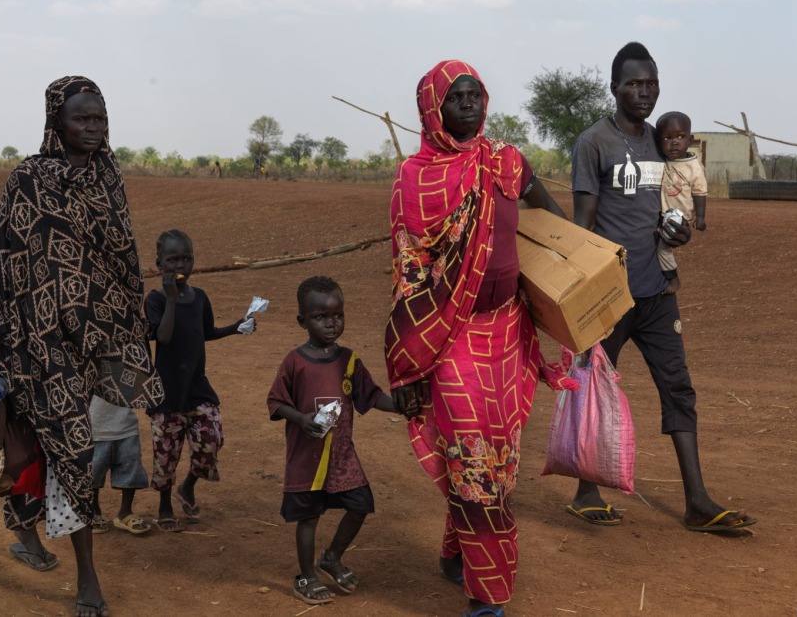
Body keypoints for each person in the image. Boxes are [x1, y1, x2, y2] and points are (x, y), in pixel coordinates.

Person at [386, 60, 575, 617]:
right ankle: (487, 594)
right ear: (433, 109)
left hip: (509, 333)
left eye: (475, 95)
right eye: (456, 97)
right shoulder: (413, 178)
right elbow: (408, 269)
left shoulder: (505, 160)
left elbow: (550, 215)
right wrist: (412, 360)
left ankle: (455, 553)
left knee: (496, 462)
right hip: (451, 336)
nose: (468, 104)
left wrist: (572, 261)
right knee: (472, 457)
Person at [0, 75, 163, 617]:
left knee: (48, 445)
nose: (92, 128)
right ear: (55, 122)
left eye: (100, 119)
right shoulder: (29, 179)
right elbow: (2, 264)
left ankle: (27, 531)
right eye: (82, 118)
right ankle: (88, 579)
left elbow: (121, 259)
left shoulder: (109, 177)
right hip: (38, 343)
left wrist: (131, 322)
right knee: (73, 450)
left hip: (98, 338)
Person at [569, 42, 756, 533]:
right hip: (608, 295)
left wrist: (680, 232)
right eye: (633, 83)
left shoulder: (663, 142)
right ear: (614, 88)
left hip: (656, 291)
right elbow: (583, 224)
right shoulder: (594, 143)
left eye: (650, 83)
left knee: (678, 386)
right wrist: (583, 294)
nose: (643, 91)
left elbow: (672, 211)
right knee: (594, 387)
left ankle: (697, 500)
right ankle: (586, 490)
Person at [267, 275, 410, 606]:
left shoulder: (349, 360)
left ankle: (331, 557)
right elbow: (276, 402)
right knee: (309, 517)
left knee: (360, 505)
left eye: (337, 315)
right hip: (307, 459)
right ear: (303, 320)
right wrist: (301, 419)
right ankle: (307, 576)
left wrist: (401, 406)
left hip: (342, 457)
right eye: (320, 317)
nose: (331, 324)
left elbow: (371, 397)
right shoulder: (295, 362)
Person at [145, 229, 251, 531]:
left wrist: (236, 327)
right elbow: (162, 337)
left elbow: (207, 333)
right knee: (166, 454)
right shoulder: (154, 300)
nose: (180, 265)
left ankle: (188, 486)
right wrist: (171, 300)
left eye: (186, 258)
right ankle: (165, 505)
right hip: (166, 394)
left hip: (197, 388)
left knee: (212, 439)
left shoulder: (200, 297)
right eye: (172, 259)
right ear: (158, 264)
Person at [655, 111, 708, 294]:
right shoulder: (662, 160)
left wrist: (700, 217)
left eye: (680, 136)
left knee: (663, 247)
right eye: (667, 138)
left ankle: (673, 279)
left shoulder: (694, 167)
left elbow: (700, 192)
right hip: (660, 212)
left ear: (690, 139)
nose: (674, 142)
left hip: (678, 216)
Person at [87, 395, 151, 535]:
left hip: (126, 425)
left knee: (130, 468)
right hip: (93, 426)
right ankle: (93, 511)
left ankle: (125, 513)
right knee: (92, 472)